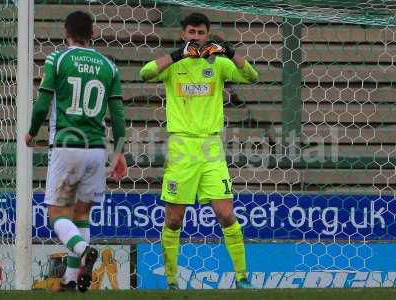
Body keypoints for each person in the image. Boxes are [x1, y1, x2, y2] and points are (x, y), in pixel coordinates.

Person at [140, 12, 258, 289]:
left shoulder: (218, 65)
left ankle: (242, 278)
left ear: (207, 35)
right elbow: (145, 73)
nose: (195, 37)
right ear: (183, 34)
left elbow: (251, 76)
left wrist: (229, 51)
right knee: (174, 218)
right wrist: (176, 55)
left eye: (200, 33)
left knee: (226, 213)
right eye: (191, 32)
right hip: (182, 146)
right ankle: (171, 281)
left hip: (211, 147)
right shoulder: (174, 65)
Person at [25, 10, 127, 292]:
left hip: (67, 146)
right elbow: (118, 114)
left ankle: (83, 250)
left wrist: (32, 132)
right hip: (97, 150)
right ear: (93, 34)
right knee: (81, 214)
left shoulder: (57, 59)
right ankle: (71, 280)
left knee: (57, 215)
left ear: (65, 32)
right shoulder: (109, 66)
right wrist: (118, 152)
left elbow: (43, 104)